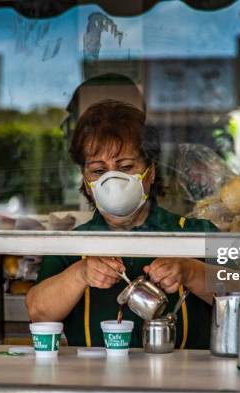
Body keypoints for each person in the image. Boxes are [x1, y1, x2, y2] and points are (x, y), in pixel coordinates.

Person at [26, 100, 219, 349]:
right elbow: (38, 312)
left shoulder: (193, 232)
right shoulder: (72, 245)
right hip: (95, 381)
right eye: (98, 170)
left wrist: (191, 272)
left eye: (126, 167)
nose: (112, 180)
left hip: (183, 380)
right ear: (85, 181)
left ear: (151, 172)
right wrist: (80, 274)